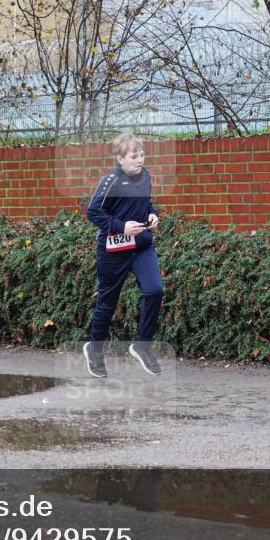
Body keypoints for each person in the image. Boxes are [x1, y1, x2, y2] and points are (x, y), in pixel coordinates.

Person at [83, 132, 164, 377]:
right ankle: (95, 351)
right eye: (133, 156)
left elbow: (145, 204)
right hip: (114, 250)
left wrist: (152, 214)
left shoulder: (146, 176)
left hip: (141, 246)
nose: (139, 160)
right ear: (120, 159)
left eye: (141, 155)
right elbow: (93, 213)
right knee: (107, 303)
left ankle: (143, 345)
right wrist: (121, 227)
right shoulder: (111, 181)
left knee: (155, 290)